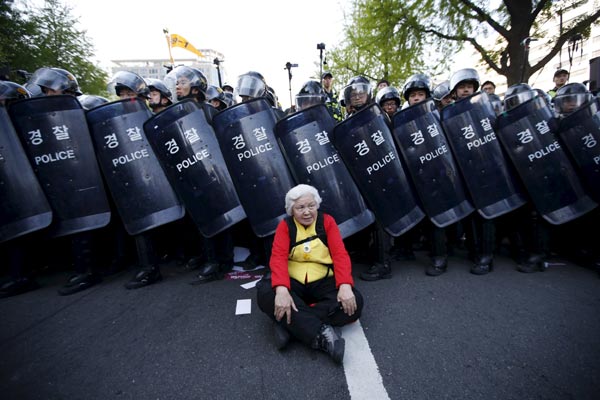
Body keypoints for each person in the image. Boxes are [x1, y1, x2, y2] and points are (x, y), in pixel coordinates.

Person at [256, 184, 363, 364]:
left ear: (317, 205)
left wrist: (345, 285)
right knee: (265, 293)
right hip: (293, 282)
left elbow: (340, 255)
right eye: (300, 208)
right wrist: (282, 291)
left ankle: (289, 324)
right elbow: (278, 258)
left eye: (311, 206)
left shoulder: (327, 222)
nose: (307, 212)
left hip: (323, 280)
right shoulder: (285, 226)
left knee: (355, 302)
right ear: (292, 211)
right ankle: (321, 335)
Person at [339, 76, 393, 281]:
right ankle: (367, 253)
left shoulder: (378, 115)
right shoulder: (347, 121)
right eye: (354, 93)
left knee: (380, 219)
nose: (358, 96)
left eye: (361, 92)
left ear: (368, 94)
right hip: (361, 175)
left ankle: (383, 263)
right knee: (366, 216)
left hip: (380, 173)